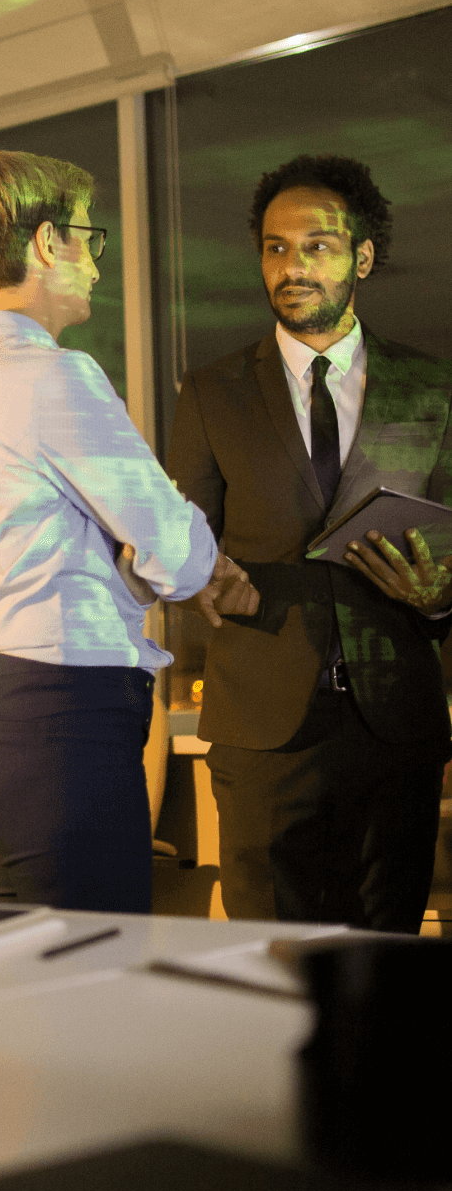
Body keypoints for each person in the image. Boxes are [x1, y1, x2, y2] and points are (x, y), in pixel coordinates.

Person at [0, 147, 257, 913]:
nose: (96, 264)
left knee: (25, 1009)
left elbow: (67, 562)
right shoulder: (57, 375)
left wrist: (146, 568)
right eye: (88, 237)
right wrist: (205, 564)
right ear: (47, 243)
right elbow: (175, 546)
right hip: (61, 734)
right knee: (96, 999)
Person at [168, 154, 452, 931]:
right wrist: (199, 582)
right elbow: (179, 544)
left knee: (386, 953)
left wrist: (440, 595)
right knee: (272, 963)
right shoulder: (211, 393)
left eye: (317, 246)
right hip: (262, 726)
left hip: (395, 721)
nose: (292, 266)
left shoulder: (431, 388)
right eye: (275, 247)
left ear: (363, 256)